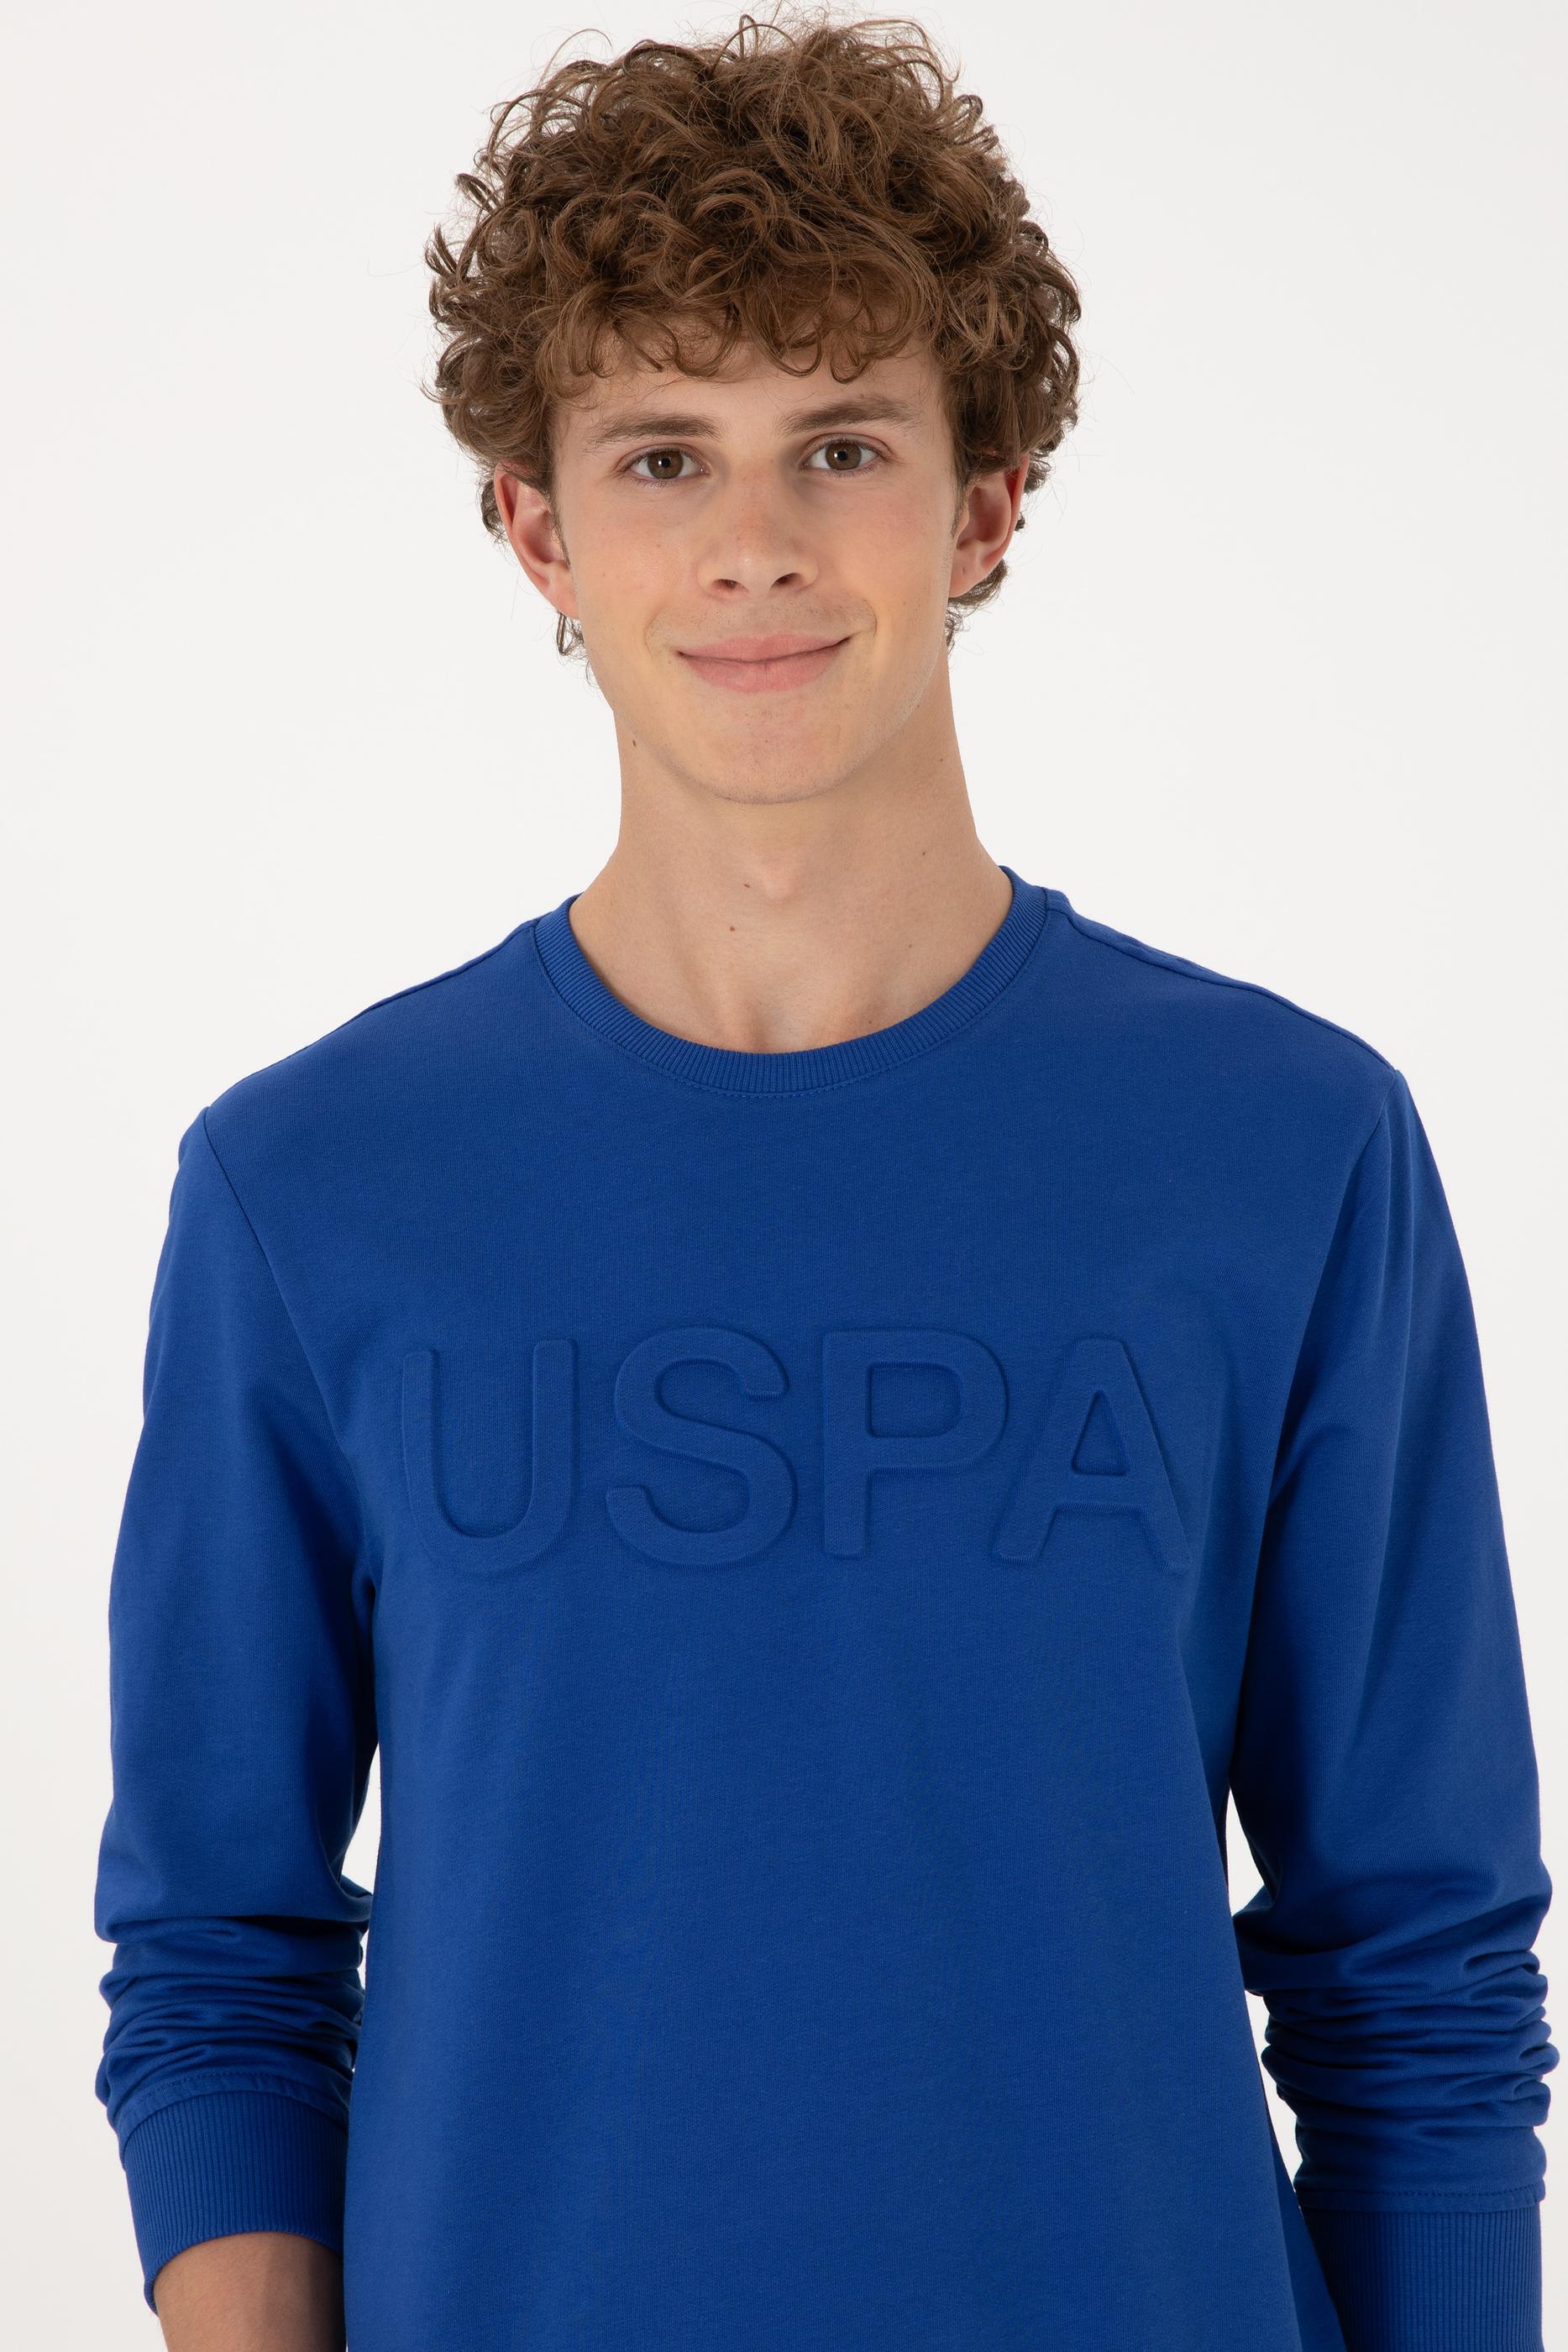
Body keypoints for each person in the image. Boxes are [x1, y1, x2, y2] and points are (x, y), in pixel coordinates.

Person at [92, 13, 1555, 2349]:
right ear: (538, 527)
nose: (754, 542)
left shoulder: (1288, 1146)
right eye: (664, 453)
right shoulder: (311, 1186)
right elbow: (220, 1960)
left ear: (983, 507)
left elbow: (1418, 1967)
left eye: (842, 444)